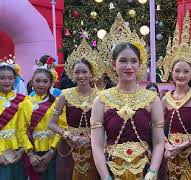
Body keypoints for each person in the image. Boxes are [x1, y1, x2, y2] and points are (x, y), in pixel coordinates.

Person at [91, 13, 165, 180]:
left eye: (134, 61)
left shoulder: (152, 99)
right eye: (123, 61)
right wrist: (105, 177)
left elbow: (159, 142)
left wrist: (152, 172)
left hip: (144, 170)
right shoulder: (101, 100)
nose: (129, 66)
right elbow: (96, 145)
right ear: (113, 65)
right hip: (111, 169)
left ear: (140, 64)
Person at [157, 12, 191, 180]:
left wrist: (185, 144)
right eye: (177, 71)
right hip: (170, 153)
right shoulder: (165, 98)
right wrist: (167, 145)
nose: (181, 75)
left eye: (186, 71)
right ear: (170, 72)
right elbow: (157, 128)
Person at [48, 39, 104, 180]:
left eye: (84, 72)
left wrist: (90, 139)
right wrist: (67, 135)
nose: (80, 76)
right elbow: (51, 123)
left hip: (95, 146)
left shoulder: (101, 96)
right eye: (77, 72)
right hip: (71, 146)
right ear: (72, 74)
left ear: (91, 73)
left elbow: (106, 126)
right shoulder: (65, 95)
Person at [18, 64, 66, 180]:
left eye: (45, 81)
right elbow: (21, 131)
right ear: (32, 83)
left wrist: (51, 151)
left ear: (50, 83)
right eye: (37, 81)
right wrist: (30, 154)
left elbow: (62, 126)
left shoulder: (57, 102)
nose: (41, 84)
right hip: (33, 151)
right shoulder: (24, 104)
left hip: (54, 153)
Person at [0, 63, 27, 180]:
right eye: (2, 78)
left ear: (15, 79)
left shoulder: (23, 100)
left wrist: (22, 150)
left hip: (19, 152)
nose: (7, 81)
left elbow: (28, 127)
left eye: (10, 78)